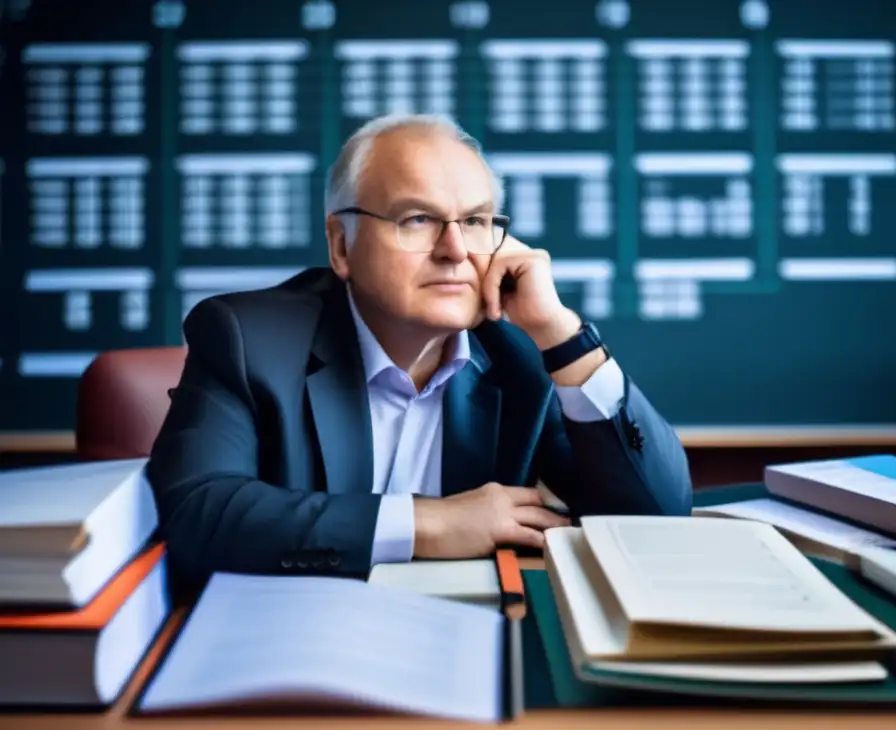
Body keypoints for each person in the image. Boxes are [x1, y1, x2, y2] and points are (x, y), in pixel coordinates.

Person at [146, 113, 692, 591]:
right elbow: (199, 518)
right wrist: (429, 524)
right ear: (341, 246)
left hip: (468, 638)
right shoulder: (246, 337)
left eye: (476, 221)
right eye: (418, 220)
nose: (455, 250)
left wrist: (563, 335)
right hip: (293, 637)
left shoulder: (523, 355)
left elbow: (657, 518)